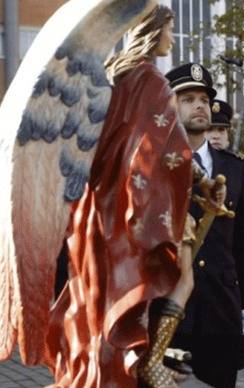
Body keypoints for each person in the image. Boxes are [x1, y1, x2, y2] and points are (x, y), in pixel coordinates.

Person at [43, 6, 213, 387]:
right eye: (169, 29)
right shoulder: (151, 80)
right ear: (153, 31)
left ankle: (121, 360)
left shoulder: (114, 73)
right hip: (139, 202)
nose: (172, 37)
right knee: (174, 279)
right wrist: (199, 180)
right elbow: (163, 148)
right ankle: (150, 359)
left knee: (103, 291)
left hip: (104, 204)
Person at [165, 66, 244, 388]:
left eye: (204, 99)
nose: (200, 106)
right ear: (170, 107)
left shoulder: (232, 168)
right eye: (188, 98)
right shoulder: (153, 166)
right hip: (170, 309)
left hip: (221, 306)